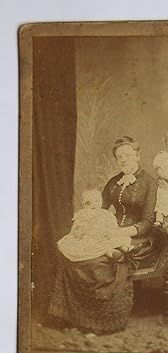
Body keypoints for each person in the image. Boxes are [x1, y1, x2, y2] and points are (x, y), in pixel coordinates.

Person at [48, 136, 158, 334]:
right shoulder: (114, 182)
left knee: (99, 264)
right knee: (77, 257)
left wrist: (123, 231)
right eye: (119, 156)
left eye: (128, 155)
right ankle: (74, 316)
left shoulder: (149, 182)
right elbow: (100, 208)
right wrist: (90, 227)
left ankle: (99, 321)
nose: (123, 159)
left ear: (138, 156)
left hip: (137, 235)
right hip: (109, 231)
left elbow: (148, 221)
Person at [57, 189, 133, 262]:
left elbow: (112, 223)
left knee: (115, 241)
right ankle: (114, 254)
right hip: (89, 237)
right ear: (83, 203)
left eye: (96, 201)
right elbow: (76, 226)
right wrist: (75, 233)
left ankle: (127, 248)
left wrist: (111, 231)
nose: (93, 204)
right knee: (102, 248)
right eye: (89, 202)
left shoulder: (105, 213)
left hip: (104, 234)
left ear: (101, 201)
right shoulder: (82, 214)